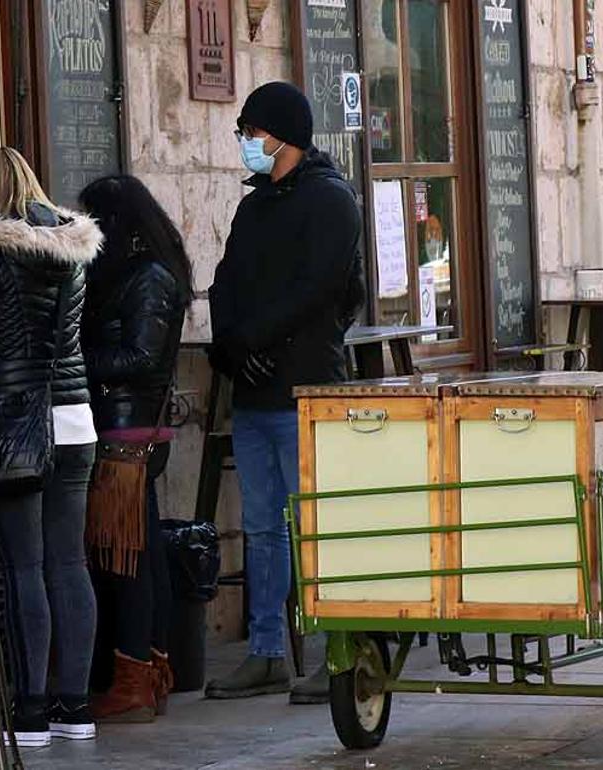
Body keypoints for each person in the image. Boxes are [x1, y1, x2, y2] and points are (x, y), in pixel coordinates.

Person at [206, 82, 365, 703]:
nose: (247, 142)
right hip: (252, 391)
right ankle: (267, 650)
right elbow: (225, 281)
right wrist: (229, 346)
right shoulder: (256, 205)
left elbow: (324, 289)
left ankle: (339, 652)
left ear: (282, 135)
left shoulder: (330, 200)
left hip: (305, 388)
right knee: (263, 527)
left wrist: (259, 339)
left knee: (316, 526)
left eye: (251, 130)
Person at [0, 147, 104, 747]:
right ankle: (76, 706)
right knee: (69, 564)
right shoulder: (69, 246)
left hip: (15, 422)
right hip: (74, 416)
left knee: (24, 568)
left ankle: (28, 712)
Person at [78, 176, 193, 723]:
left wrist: (76, 363)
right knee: (137, 554)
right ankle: (146, 671)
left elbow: (141, 358)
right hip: (125, 432)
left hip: (126, 437)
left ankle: (134, 678)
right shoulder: (145, 271)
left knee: (126, 558)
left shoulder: (148, 277)